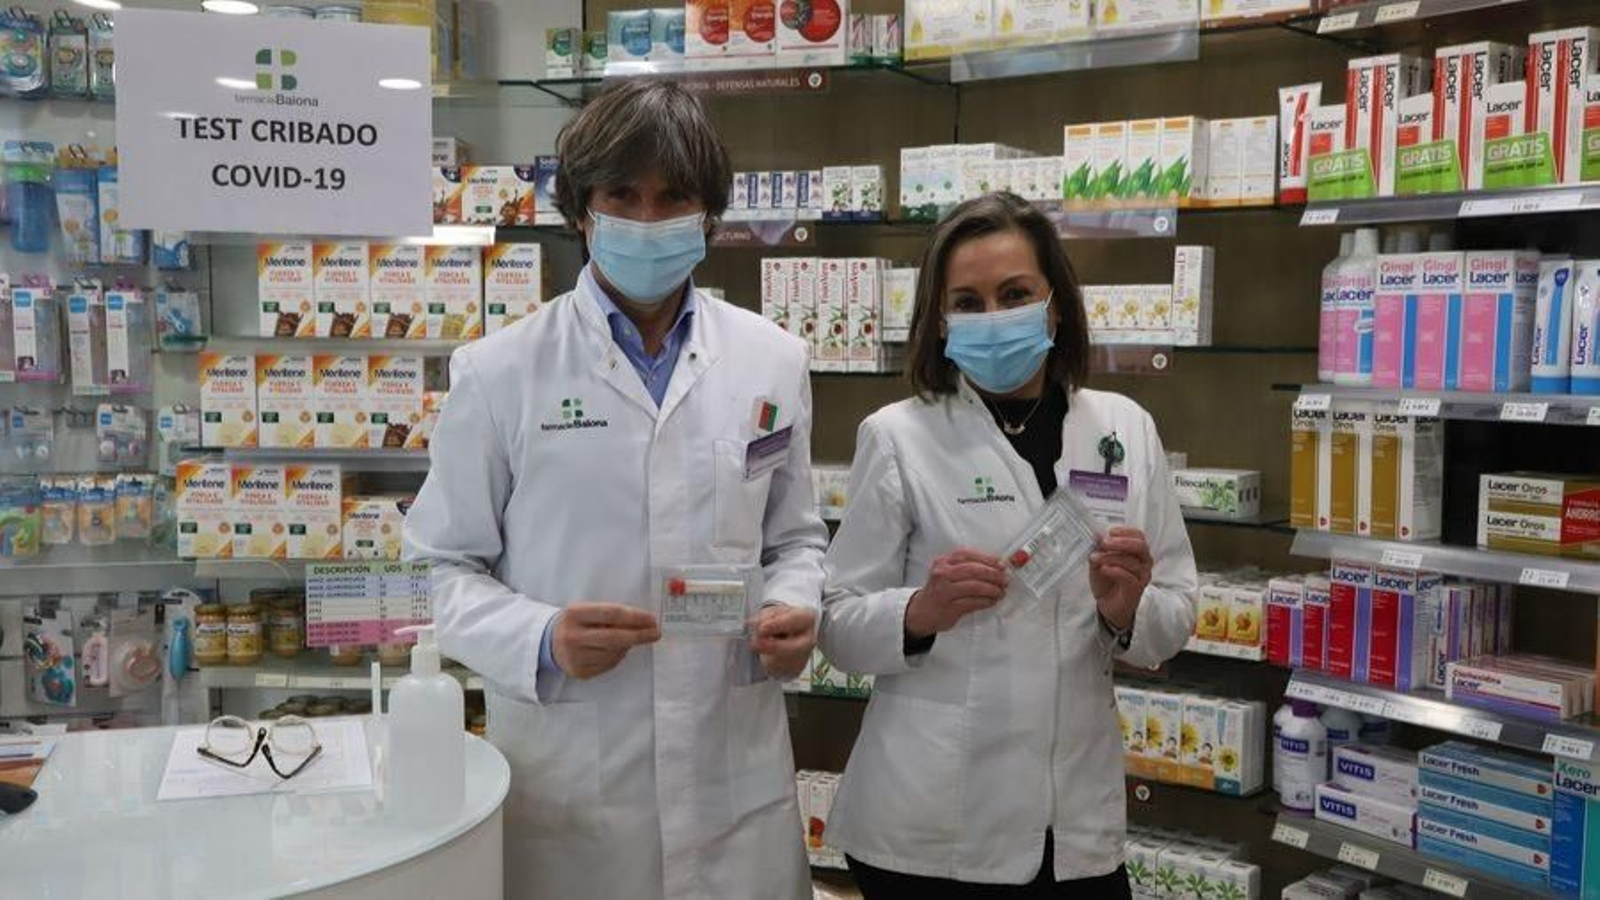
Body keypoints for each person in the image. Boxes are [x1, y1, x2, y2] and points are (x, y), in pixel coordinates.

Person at [402, 81, 827, 900]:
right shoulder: (499, 372)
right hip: (574, 799)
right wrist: (541, 638)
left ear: (708, 214)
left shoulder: (773, 359)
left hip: (733, 784)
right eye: (622, 195)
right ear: (582, 210)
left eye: (673, 197)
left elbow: (795, 538)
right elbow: (435, 569)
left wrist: (793, 605)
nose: (647, 218)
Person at [818, 192, 1198, 898]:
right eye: (968, 302)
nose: (993, 317)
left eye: (1015, 294)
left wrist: (1125, 611)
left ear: (1055, 306)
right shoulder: (898, 436)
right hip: (934, 829)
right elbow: (837, 622)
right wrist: (918, 612)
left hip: (1076, 828)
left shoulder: (1123, 429)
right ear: (940, 321)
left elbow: (1172, 620)